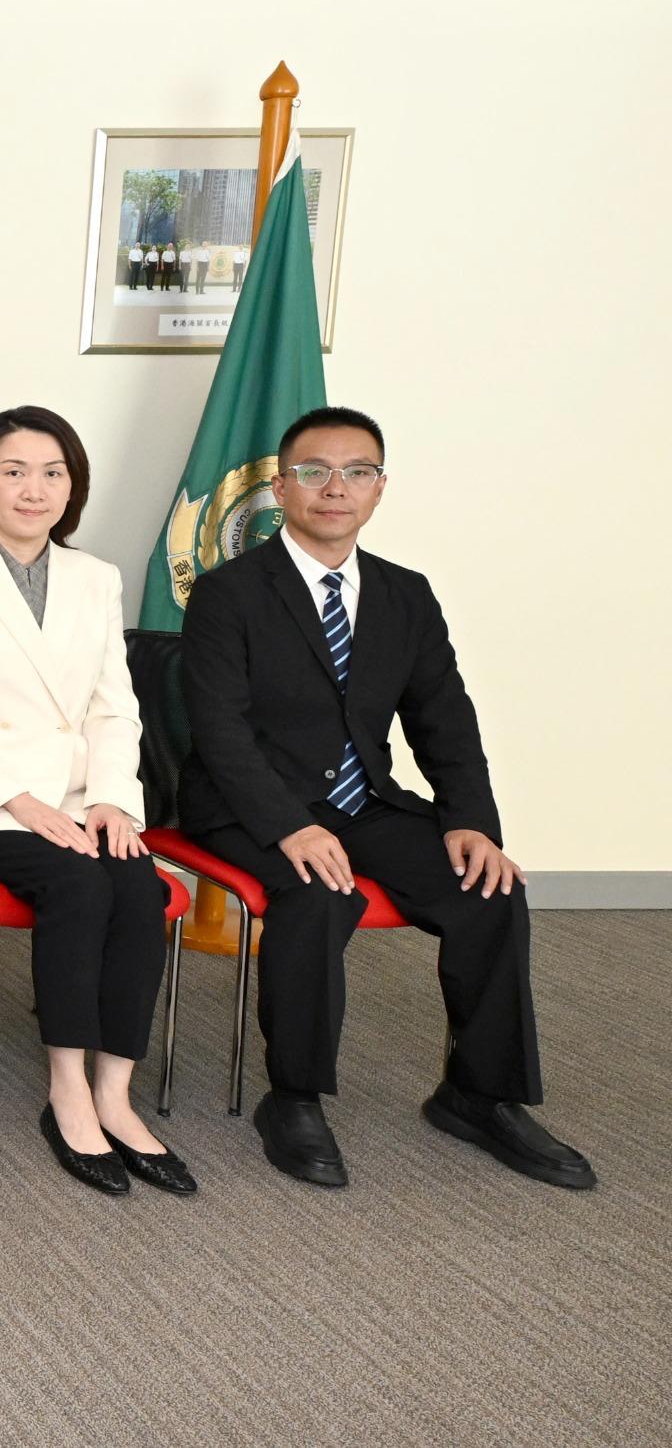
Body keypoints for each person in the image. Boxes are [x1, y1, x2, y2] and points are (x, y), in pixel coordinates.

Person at [180, 406, 593, 1191]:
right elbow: (220, 734)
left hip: (362, 799)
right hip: (249, 803)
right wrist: (289, 826)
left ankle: (479, 1094)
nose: (336, 488)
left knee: (488, 891)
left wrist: (472, 822)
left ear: (379, 489)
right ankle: (294, 1098)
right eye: (314, 471)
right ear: (280, 485)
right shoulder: (228, 593)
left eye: (357, 472)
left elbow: (445, 718)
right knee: (316, 893)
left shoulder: (406, 595)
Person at [0, 406, 194, 1198]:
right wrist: (23, 803)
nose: (35, 488)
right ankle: (66, 1089)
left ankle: (115, 1094)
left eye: (53, 472)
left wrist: (113, 803)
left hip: (75, 798)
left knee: (139, 883)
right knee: (80, 882)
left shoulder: (97, 578)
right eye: (15, 471)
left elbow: (114, 707)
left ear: (73, 487)